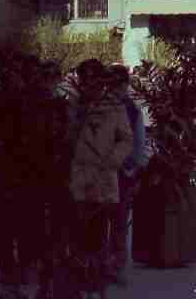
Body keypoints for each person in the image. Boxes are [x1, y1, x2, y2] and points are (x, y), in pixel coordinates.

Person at [69, 59, 133, 297]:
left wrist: (113, 160)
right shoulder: (72, 105)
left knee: (99, 231)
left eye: (93, 80)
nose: (88, 85)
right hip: (76, 177)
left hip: (103, 178)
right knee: (77, 232)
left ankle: (97, 279)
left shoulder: (115, 107)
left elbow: (126, 139)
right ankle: (79, 277)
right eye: (84, 80)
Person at [108, 64, 147, 286]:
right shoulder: (127, 107)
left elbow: (139, 141)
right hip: (113, 171)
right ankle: (109, 264)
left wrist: (135, 166)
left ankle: (114, 265)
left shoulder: (130, 108)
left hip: (121, 172)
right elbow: (139, 142)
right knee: (114, 222)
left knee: (117, 221)